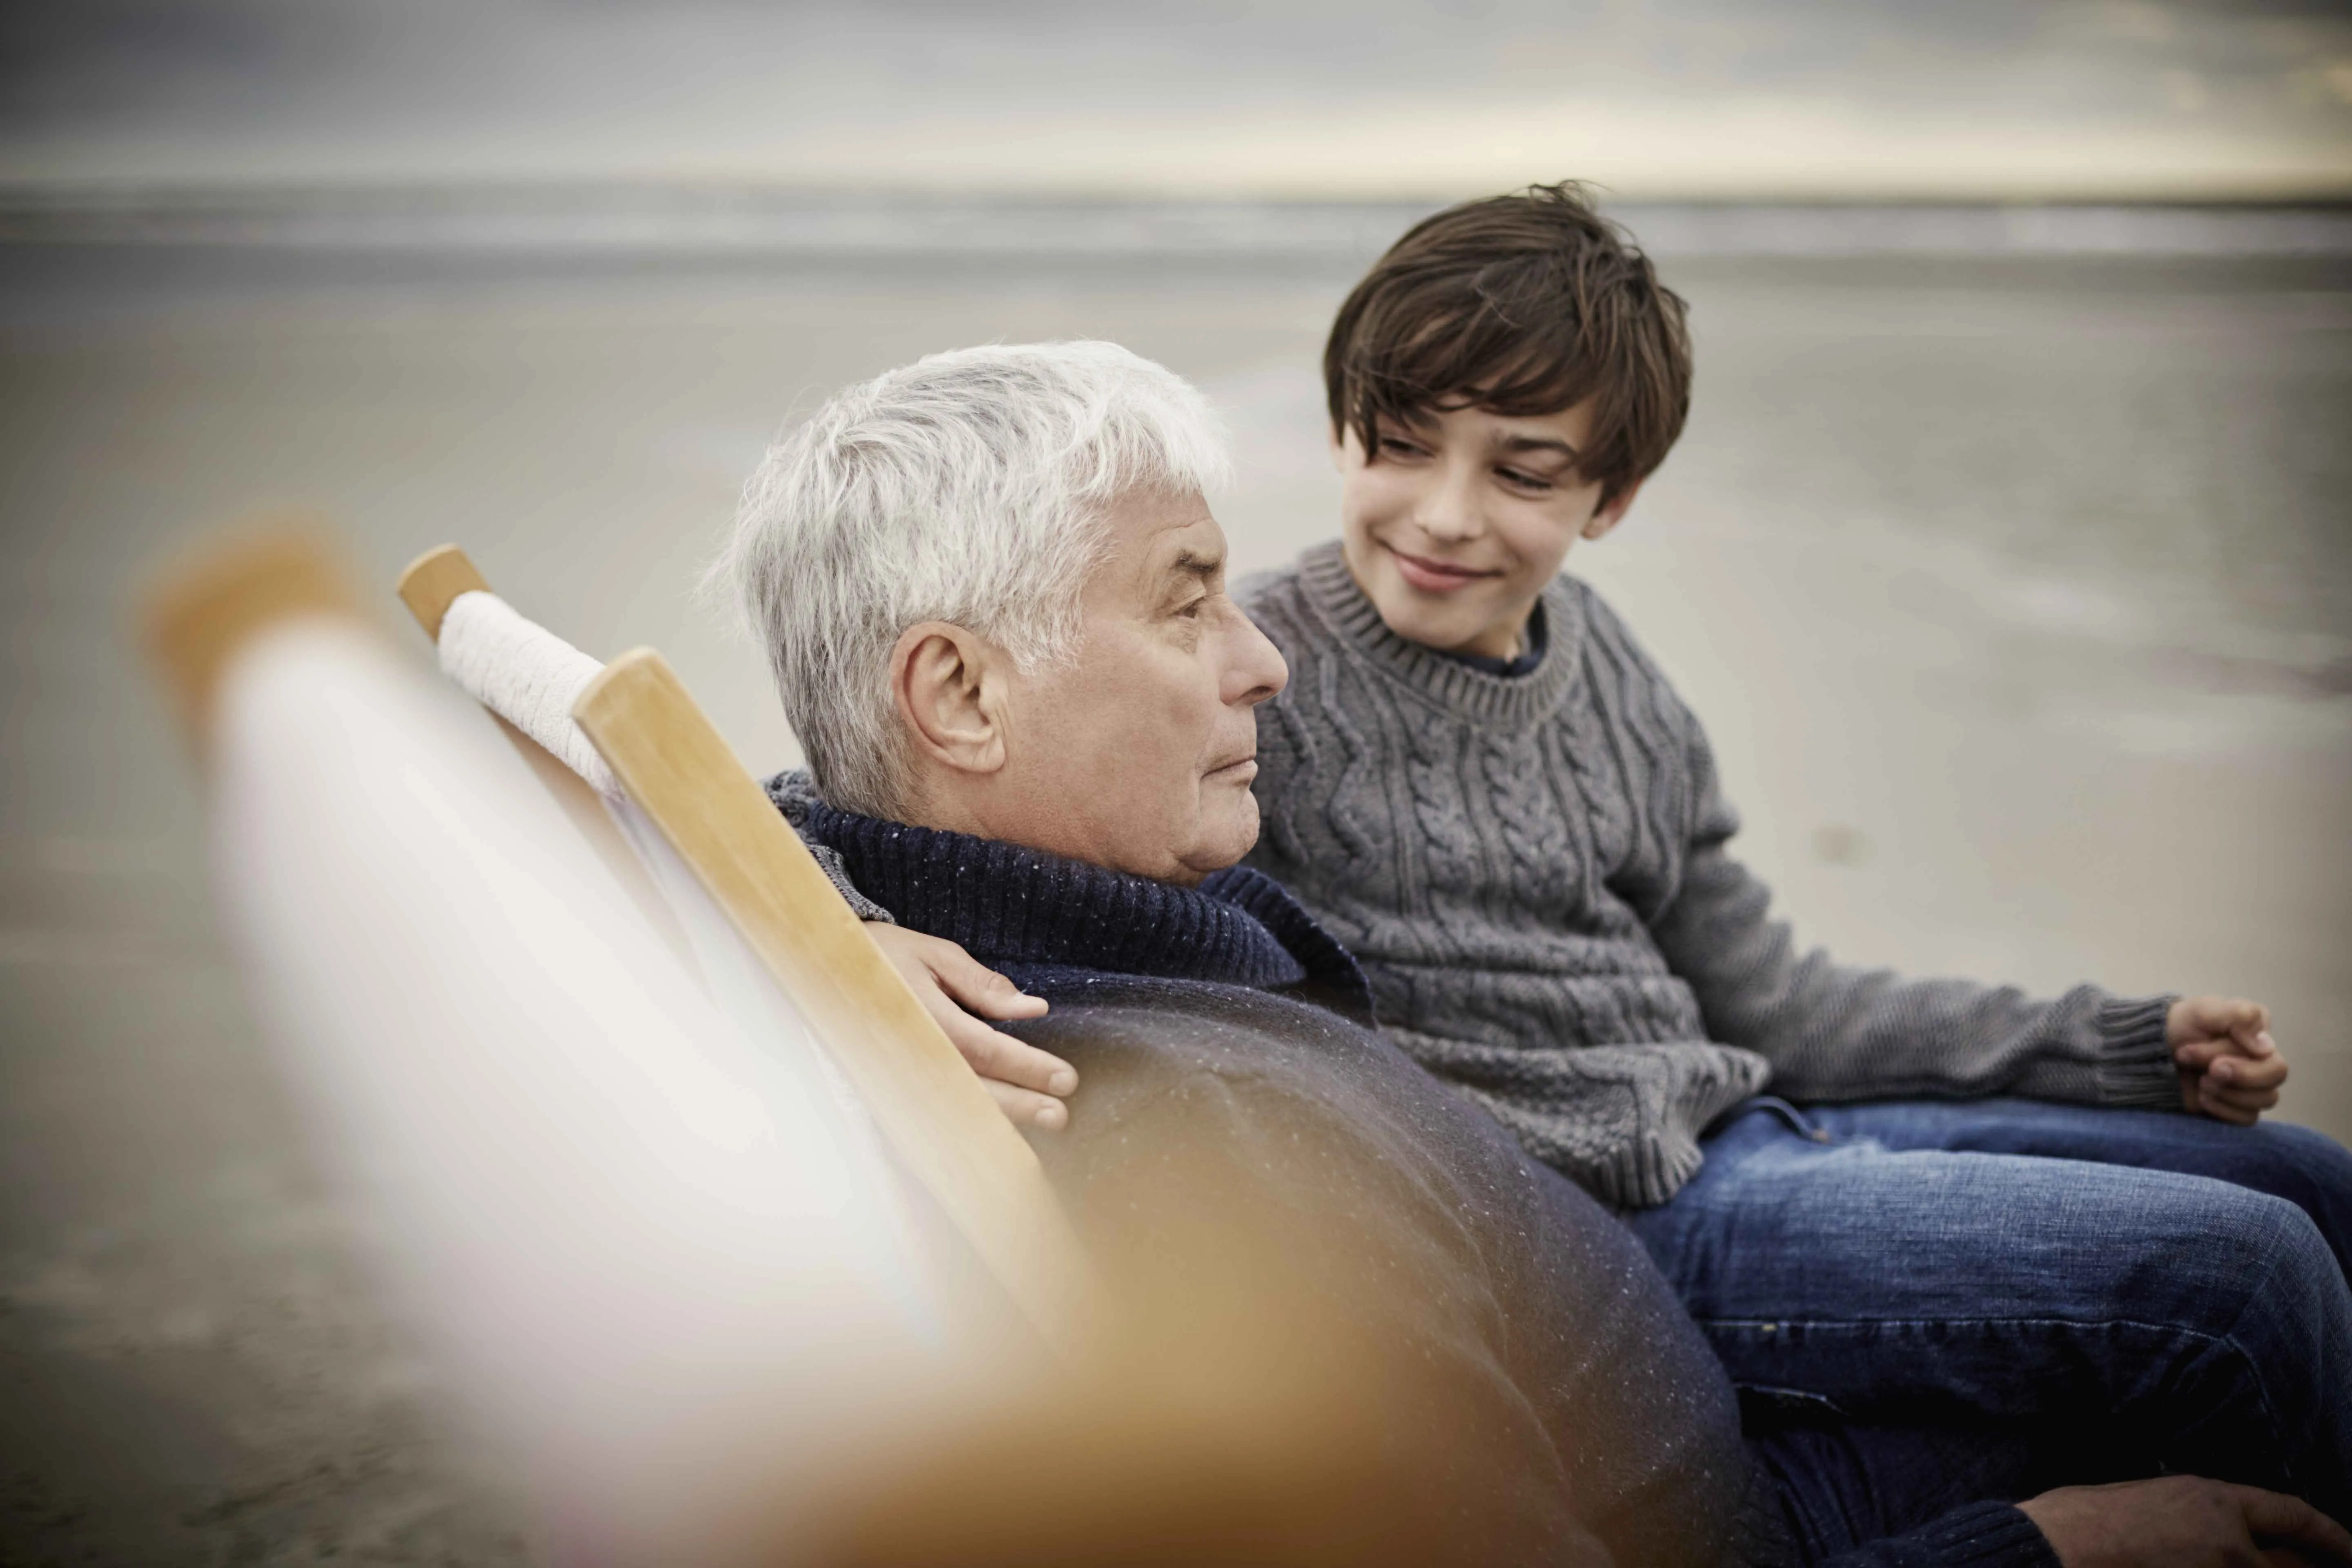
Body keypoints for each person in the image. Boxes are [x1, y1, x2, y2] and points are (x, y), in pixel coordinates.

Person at [717, 338, 2352, 1563]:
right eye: (1189, 604)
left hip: (1660, 1360)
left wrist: (810, 911)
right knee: (2246, 1295)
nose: (1267, 662)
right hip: (1749, 1495)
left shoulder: (1014, 921)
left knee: (2304, 1190)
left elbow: (762, 801)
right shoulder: (1221, 1152)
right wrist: (2060, 1545)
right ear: (962, 696)